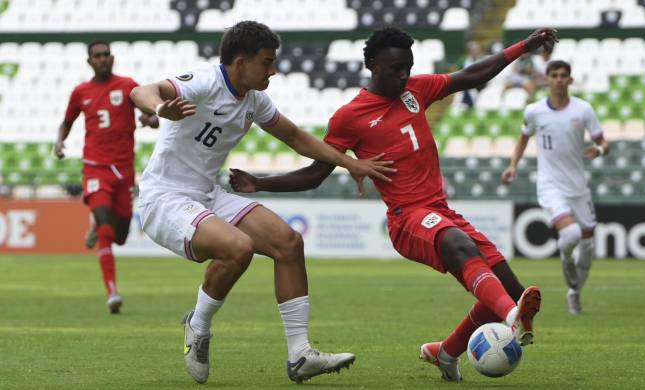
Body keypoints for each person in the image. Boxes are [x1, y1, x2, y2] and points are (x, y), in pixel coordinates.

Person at [229, 26, 558, 382]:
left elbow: (471, 75)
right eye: (396, 68)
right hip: (407, 218)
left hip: (442, 212)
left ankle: (445, 352)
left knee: (507, 287)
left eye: (408, 67)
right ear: (372, 64)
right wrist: (260, 183)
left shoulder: (416, 90)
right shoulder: (349, 117)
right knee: (463, 251)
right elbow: (314, 174)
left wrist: (523, 47)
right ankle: (512, 318)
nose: (404, 75)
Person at [128, 21, 394, 385]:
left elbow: (296, 137)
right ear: (240, 62)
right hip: (165, 197)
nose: (273, 70)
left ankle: (301, 354)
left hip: (206, 193)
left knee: (288, 242)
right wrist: (161, 109)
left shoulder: (254, 99)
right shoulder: (205, 81)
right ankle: (198, 325)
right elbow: (142, 91)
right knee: (239, 248)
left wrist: (351, 163)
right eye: (267, 63)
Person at [55, 41, 159, 314]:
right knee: (105, 225)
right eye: (97, 56)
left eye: (106, 55)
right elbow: (67, 122)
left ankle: (97, 227)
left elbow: (153, 115)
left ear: (112, 58)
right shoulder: (81, 92)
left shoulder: (128, 86)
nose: (102, 59)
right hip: (95, 166)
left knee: (121, 235)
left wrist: (151, 120)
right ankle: (112, 291)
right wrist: (59, 142)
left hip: (123, 170)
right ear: (90, 62)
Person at [501, 60, 609, 315]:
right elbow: (523, 139)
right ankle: (564, 259)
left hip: (578, 188)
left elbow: (604, 142)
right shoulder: (534, 111)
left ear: (570, 80)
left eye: (564, 76)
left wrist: (600, 149)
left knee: (588, 248)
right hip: (550, 186)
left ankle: (574, 292)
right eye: (555, 75)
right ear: (546, 79)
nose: (559, 80)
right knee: (570, 235)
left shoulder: (583, 110)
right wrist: (513, 166)